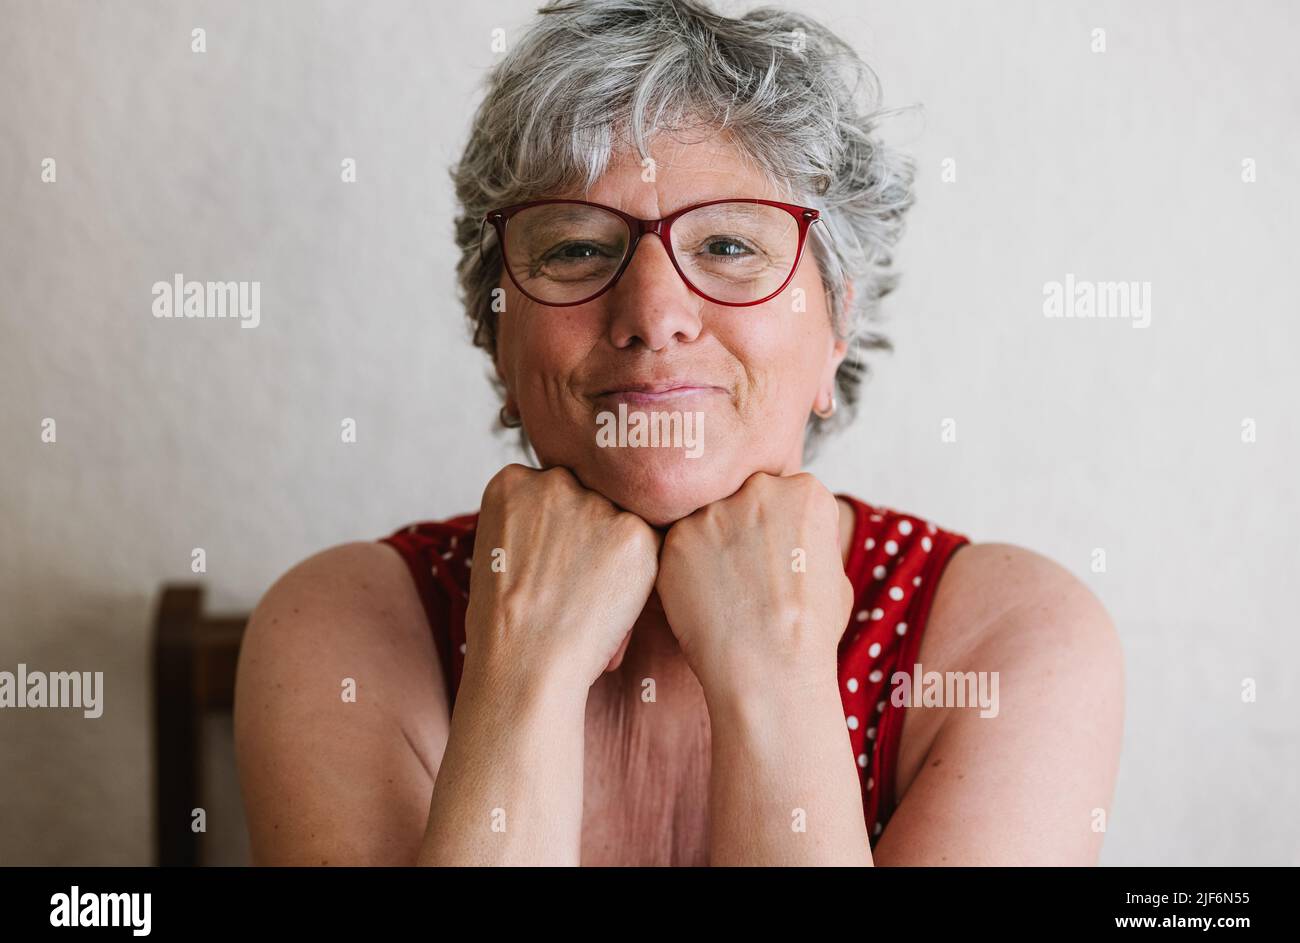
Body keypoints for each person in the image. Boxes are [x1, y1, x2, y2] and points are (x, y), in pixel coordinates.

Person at [234, 0, 1123, 866]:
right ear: (493, 327)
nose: (654, 315)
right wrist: (524, 677)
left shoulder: (1006, 637)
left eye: (731, 246)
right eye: (577, 248)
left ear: (838, 322)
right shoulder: (348, 622)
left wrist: (774, 674)